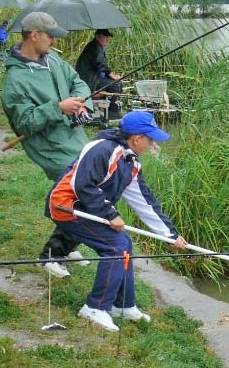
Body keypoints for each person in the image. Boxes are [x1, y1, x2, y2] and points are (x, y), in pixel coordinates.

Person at [47, 110, 187, 331]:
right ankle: (94, 308)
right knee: (115, 246)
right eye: (150, 139)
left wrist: (169, 234)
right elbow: (83, 185)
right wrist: (111, 214)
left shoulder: (130, 161)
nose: (151, 145)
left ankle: (122, 304)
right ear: (137, 138)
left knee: (124, 244)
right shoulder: (101, 149)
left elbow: (144, 202)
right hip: (67, 206)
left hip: (88, 208)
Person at [0, 11, 94, 278]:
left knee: (87, 188)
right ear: (34, 35)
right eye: (51, 36)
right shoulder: (15, 82)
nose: (54, 41)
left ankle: (68, 244)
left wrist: (81, 101)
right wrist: (58, 107)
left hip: (75, 137)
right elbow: (25, 123)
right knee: (81, 191)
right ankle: (52, 255)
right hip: (49, 147)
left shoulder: (54, 60)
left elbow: (79, 83)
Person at [75, 28, 124, 120]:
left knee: (113, 82)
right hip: (88, 80)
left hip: (92, 78)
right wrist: (112, 75)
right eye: (105, 37)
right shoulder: (95, 47)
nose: (107, 40)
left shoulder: (95, 46)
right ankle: (112, 112)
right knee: (116, 84)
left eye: (108, 38)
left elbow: (99, 67)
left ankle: (107, 109)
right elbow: (100, 63)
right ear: (98, 37)